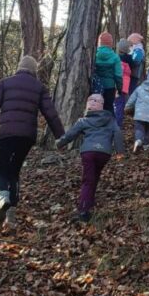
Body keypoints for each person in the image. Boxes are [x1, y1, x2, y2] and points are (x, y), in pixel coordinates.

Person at [0, 55, 65, 228]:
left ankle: (3, 198)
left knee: (2, 168)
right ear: (34, 70)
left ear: (19, 67)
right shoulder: (39, 87)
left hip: (5, 133)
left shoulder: (5, 83)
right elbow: (50, 113)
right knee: (14, 171)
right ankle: (11, 215)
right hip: (27, 136)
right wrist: (61, 136)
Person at [56, 94, 123, 223]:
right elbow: (118, 133)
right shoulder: (110, 119)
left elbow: (70, 134)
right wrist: (119, 151)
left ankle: (83, 210)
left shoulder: (83, 121)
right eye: (91, 100)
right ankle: (89, 202)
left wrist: (59, 143)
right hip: (104, 153)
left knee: (88, 180)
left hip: (88, 152)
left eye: (93, 101)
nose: (91, 103)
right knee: (94, 176)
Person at [92, 32, 123, 112]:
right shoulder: (115, 57)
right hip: (109, 87)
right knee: (108, 108)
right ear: (111, 44)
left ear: (99, 43)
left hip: (95, 87)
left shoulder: (93, 55)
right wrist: (120, 89)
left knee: (95, 108)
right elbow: (118, 76)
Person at [114, 39, 133, 127]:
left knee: (114, 104)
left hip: (115, 85)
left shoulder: (115, 58)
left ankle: (114, 123)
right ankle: (118, 123)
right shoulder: (129, 59)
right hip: (123, 87)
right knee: (120, 105)